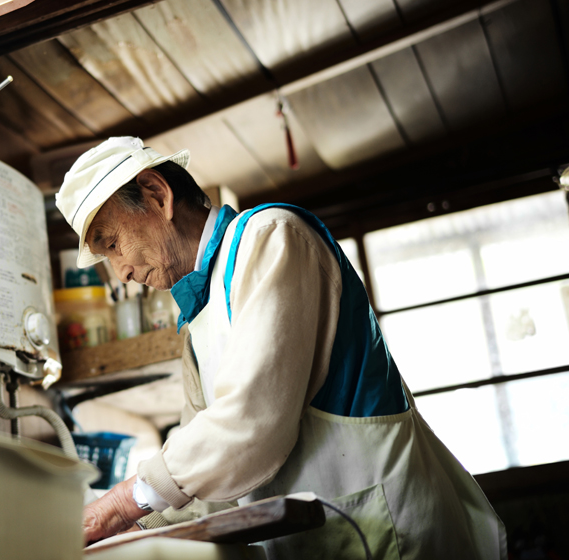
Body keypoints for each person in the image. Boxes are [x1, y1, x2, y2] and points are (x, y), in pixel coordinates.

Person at [55, 136, 506, 559]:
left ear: (156, 194)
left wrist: (118, 506)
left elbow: (251, 425)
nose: (121, 273)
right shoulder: (198, 322)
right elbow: (205, 476)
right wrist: (127, 535)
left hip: (391, 529)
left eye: (113, 245)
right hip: (331, 535)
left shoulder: (272, 237)